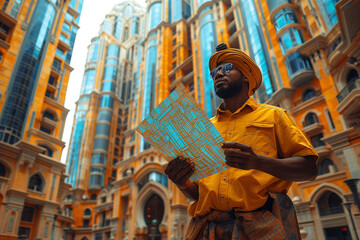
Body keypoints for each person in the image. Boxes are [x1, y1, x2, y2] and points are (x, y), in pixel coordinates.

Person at [164, 43, 319, 240]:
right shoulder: (204, 130)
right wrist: (182, 182)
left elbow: (309, 169)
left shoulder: (274, 116)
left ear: (246, 75)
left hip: (259, 228)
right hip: (204, 230)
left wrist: (258, 162)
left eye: (227, 68)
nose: (218, 74)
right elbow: (199, 195)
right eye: (214, 73)